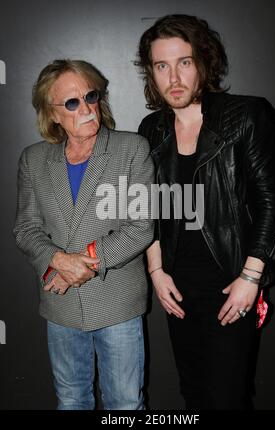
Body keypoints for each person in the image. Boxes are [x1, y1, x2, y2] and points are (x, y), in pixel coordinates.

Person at [136, 14, 275, 409]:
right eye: (161, 65)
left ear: (203, 62)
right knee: (193, 393)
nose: (174, 77)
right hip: (177, 286)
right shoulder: (152, 129)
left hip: (231, 281)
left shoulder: (246, 116)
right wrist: (156, 270)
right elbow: (147, 207)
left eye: (184, 62)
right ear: (150, 73)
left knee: (227, 396)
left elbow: (273, 199)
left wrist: (250, 279)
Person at [13, 59, 154, 410]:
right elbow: (26, 228)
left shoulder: (131, 149)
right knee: (71, 400)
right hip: (59, 305)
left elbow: (140, 228)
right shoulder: (33, 159)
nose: (87, 108)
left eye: (90, 96)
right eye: (72, 103)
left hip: (116, 303)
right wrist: (59, 261)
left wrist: (81, 266)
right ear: (53, 113)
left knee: (124, 404)